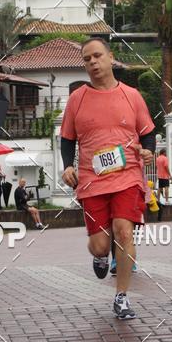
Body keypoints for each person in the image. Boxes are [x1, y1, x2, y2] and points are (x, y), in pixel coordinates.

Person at [60, 38, 155, 321]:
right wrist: (67, 166)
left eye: (97, 56)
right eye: (87, 58)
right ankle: (100, 255)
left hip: (127, 177)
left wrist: (148, 149)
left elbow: (147, 131)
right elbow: (67, 139)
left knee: (124, 231)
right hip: (92, 180)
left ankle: (121, 297)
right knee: (101, 244)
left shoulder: (131, 95)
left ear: (110, 57)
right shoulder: (77, 99)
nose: (93, 62)